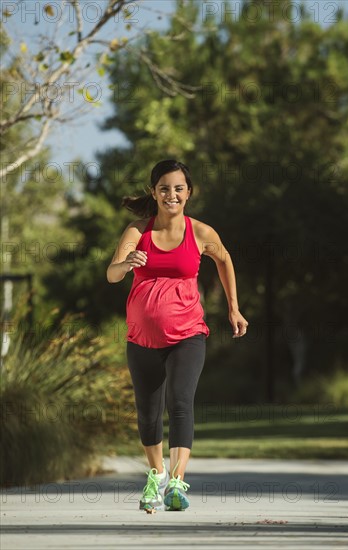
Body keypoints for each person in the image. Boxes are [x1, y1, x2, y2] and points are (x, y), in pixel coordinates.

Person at [107, 159, 248, 512]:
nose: (172, 194)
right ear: (154, 192)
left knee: (180, 403)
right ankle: (156, 476)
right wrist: (126, 265)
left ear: (188, 193)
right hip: (141, 339)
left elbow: (225, 259)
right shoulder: (137, 232)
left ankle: (177, 482)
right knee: (147, 412)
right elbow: (111, 274)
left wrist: (233, 307)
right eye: (165, 188)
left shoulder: (200, 232)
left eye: (179, 188)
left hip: (188, 334)